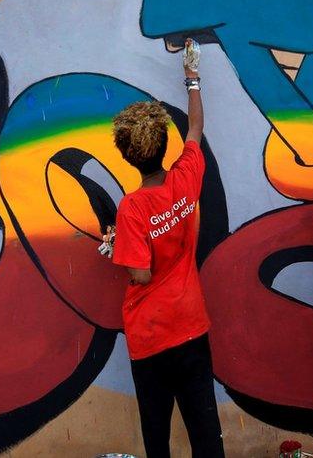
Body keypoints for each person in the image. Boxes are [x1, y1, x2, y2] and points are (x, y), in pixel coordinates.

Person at [103, 39, 225, 458]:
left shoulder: (132, 209)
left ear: (127, 155)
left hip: (152, 338)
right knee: (206, 434)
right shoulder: (184, 177)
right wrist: (192, 79)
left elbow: (140, 273)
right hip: (191, 325)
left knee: (157, 438)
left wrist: (121, 246)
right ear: (161, 146)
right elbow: (195, 129)